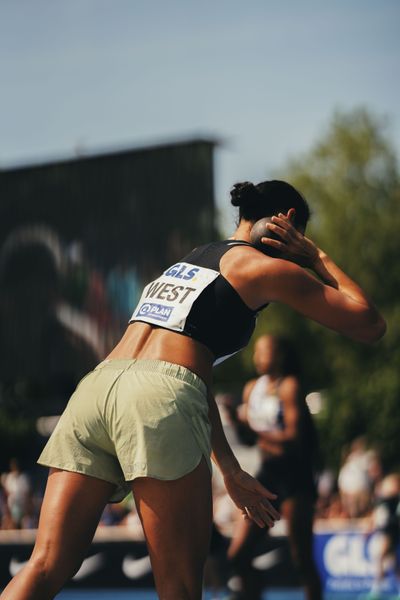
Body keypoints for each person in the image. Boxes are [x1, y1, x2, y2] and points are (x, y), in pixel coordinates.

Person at [0, 179, 386, 600]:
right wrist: (315, 255)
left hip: (96, 388)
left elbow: (193, 380)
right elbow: (368, 324)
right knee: (180, 587)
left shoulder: (187, 262)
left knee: (44, 565)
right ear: (289, 223)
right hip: (158, 399)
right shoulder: (263, 267)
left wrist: (231, 468)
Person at [226, 334, 322, 600]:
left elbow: (293, 439)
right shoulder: (250, 389)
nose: (257, 357)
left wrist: (254, 428)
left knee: (300, 556)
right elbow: (249, 440)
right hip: (268, 474)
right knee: (238, 554)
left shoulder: (289, 386)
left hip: (295, 476)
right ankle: (253, 592)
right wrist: (237, 422)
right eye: (256, 352)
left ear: (278, 355)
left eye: (264, 351)